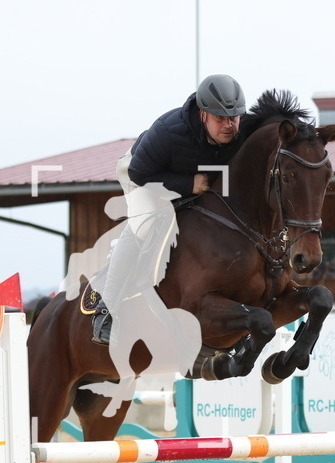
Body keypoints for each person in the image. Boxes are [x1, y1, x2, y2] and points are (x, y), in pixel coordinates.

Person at [91, 74, 248, 345]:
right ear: (203, 115)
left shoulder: (241, 128)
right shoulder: (168, 130)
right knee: (144, 225)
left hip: (195, 175)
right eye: (220, 118)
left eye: (233, 118)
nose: (228, 125)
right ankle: (106, 310)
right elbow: (140, 173)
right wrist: (189, 184)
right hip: (143, 173)